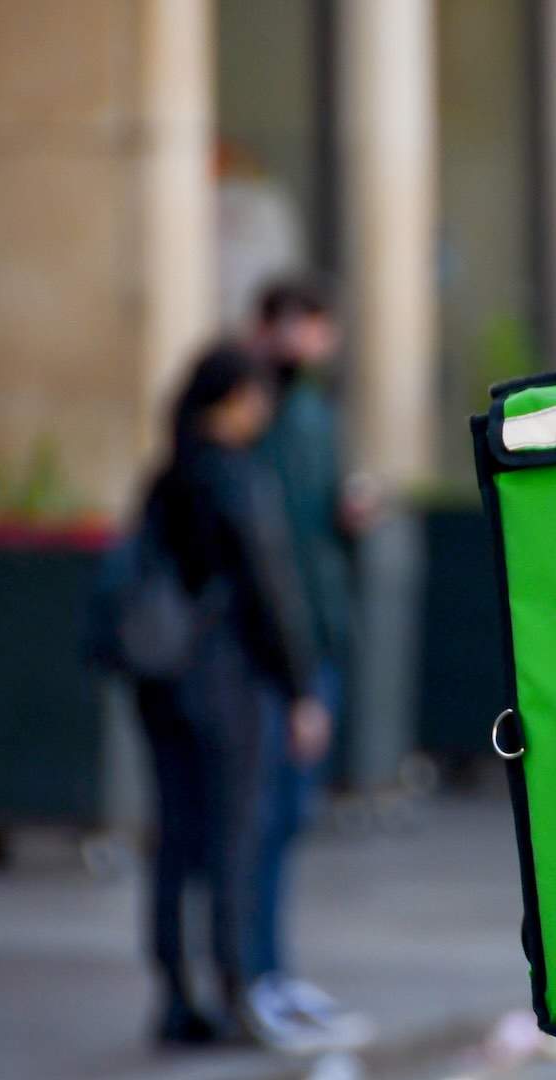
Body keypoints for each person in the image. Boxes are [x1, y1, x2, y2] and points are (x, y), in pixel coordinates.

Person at [131, 345, 326, 1046]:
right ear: (236, 400)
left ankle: (174, 994)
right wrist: (301, 687)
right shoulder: (239, 477)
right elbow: (271, 588)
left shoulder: (168, 474)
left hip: (161, 678)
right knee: (236, 838)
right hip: (228, 677)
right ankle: (237, 990)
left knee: (174, 838)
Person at [241, 277, 374, 1050]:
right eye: (299, 325)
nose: (311, 342)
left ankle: (272, 971)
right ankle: (253, 975)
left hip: (316, 634)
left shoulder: (316, 412)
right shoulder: (256, 405)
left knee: (288, 817)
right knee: (261, 818)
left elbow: (318, 521)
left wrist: (352, 515)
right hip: (270, 646)